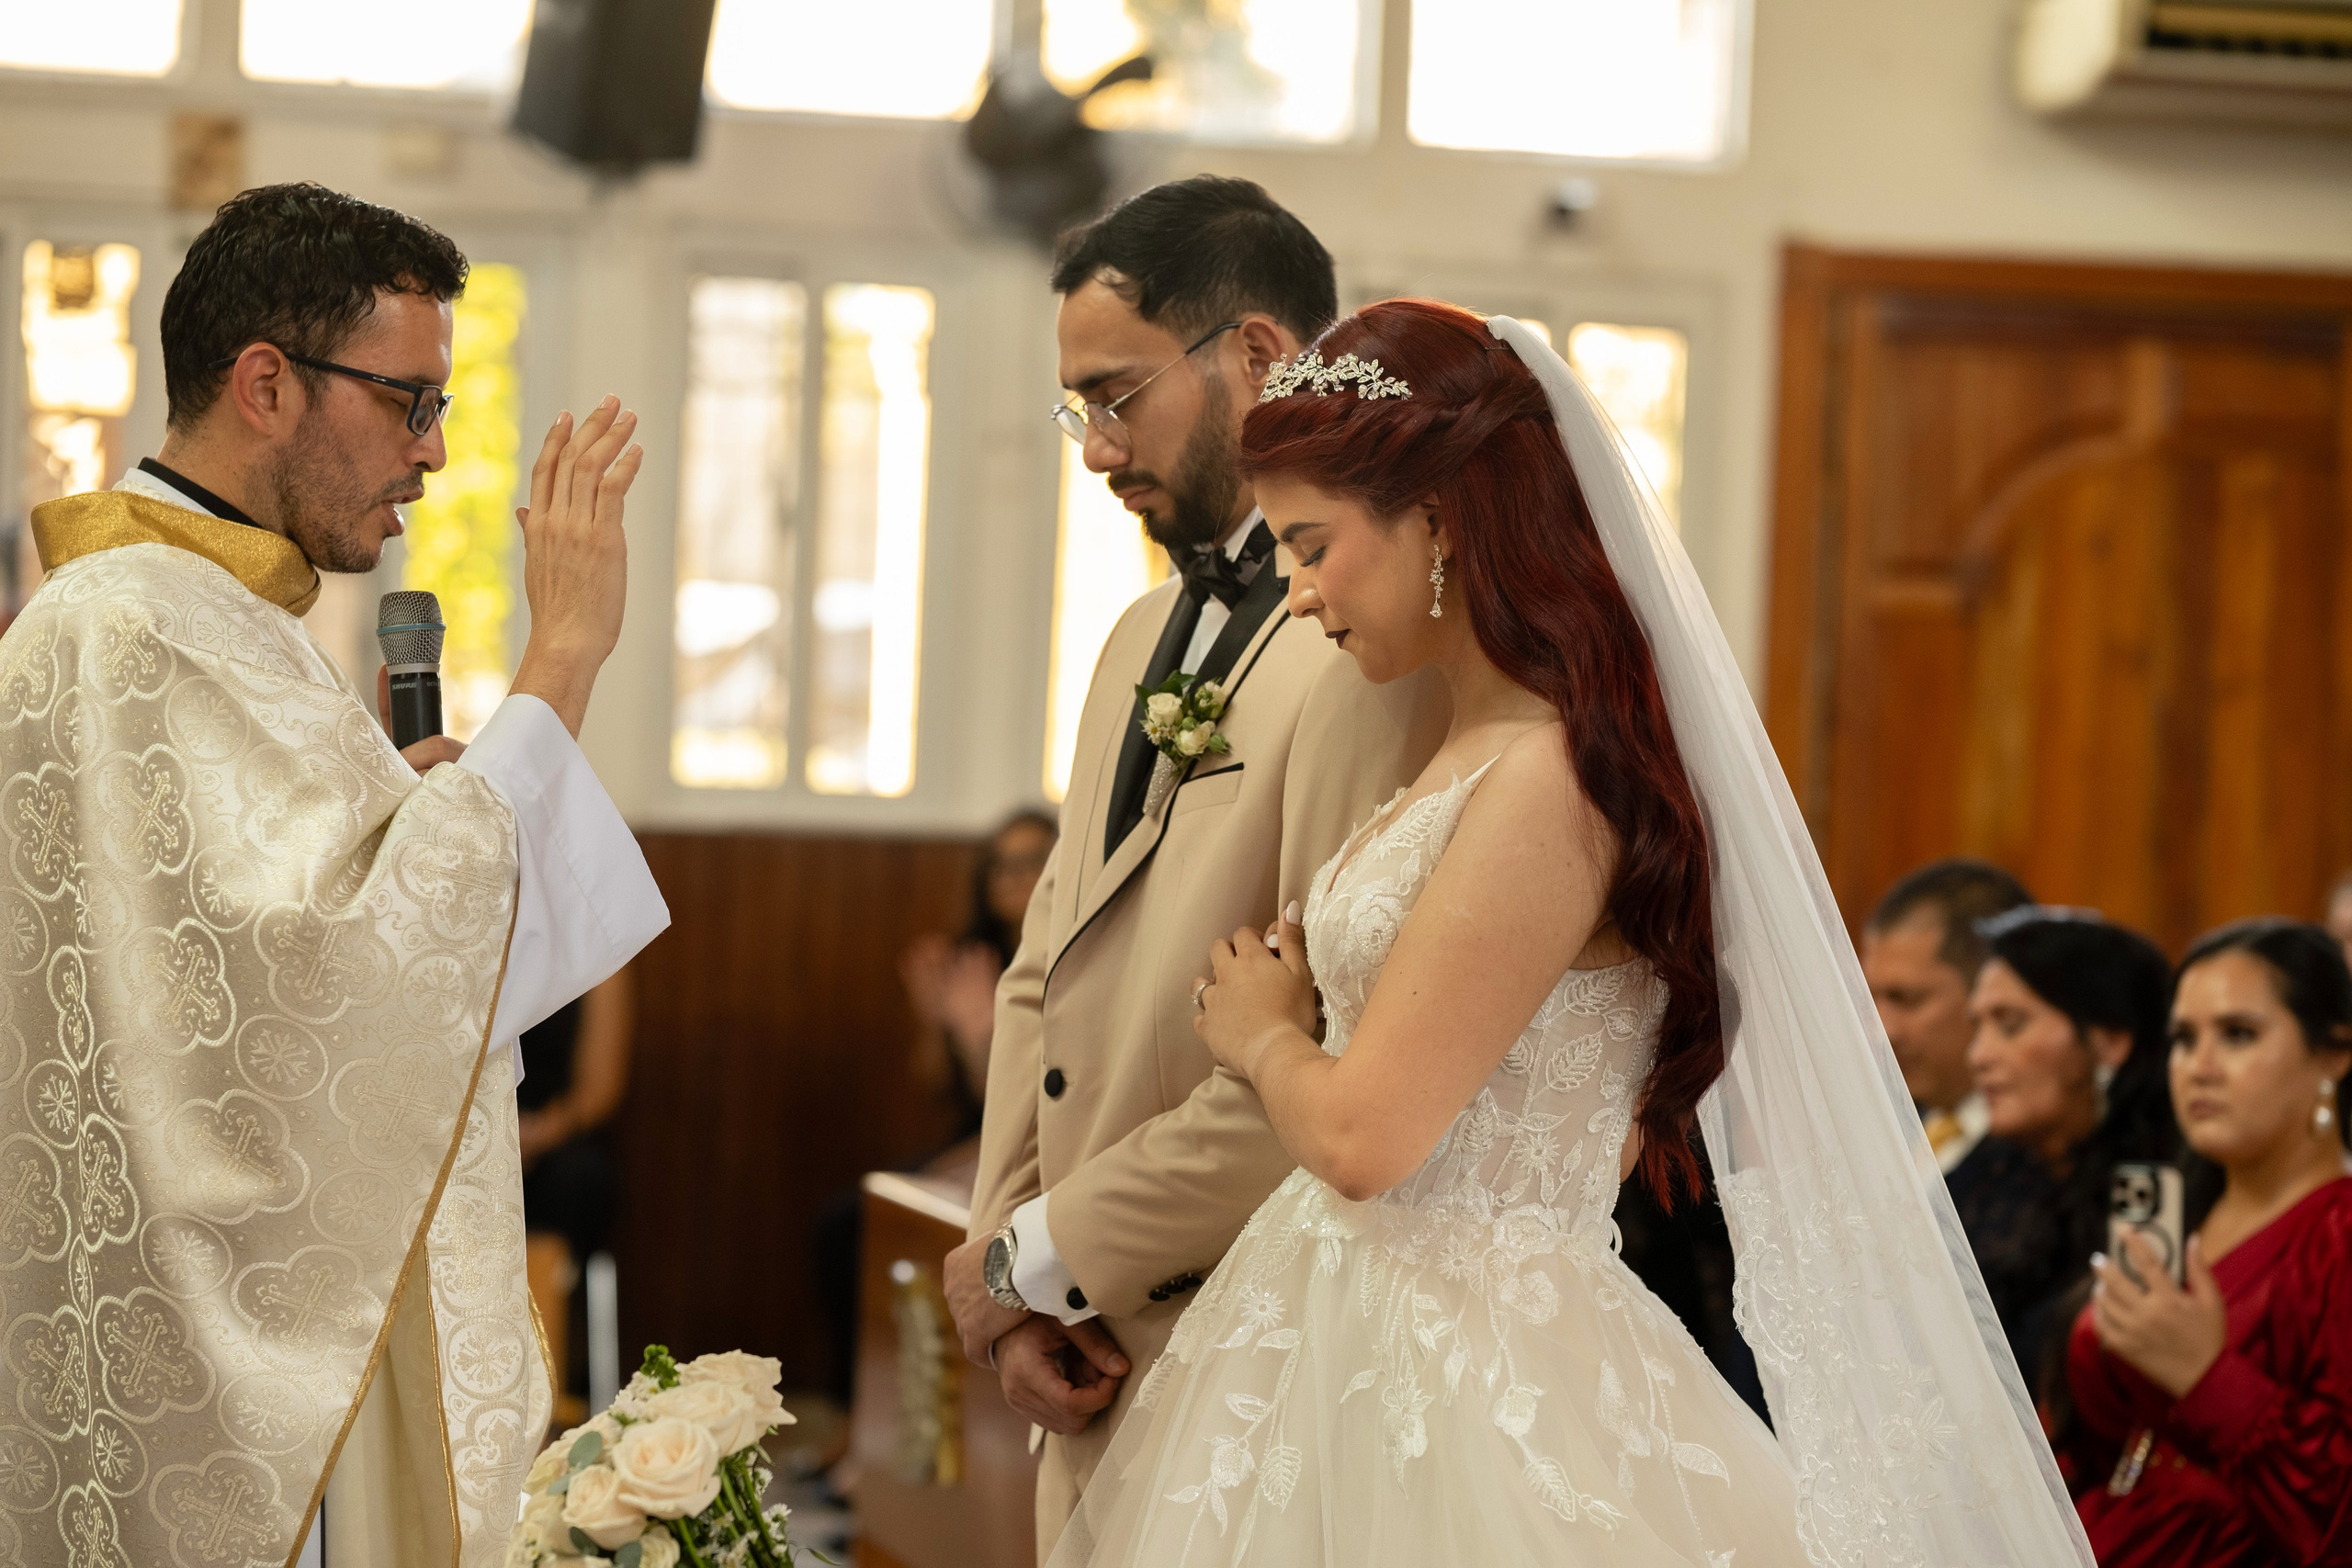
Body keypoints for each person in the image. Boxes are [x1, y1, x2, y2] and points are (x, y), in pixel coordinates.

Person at [1041, 299, 2094, 1564]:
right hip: (1353, 1328)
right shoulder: (1464, 746)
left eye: (1315, 544)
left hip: (1470, 1366)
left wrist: (1265, 1034)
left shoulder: (1550, 777)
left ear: (1438, 518)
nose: (1304, 592)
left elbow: (1369, 1136)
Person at [0, 184, 668, 1568]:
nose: (433, 452)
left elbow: (289, 957)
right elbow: (335, 987)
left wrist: (411, 821)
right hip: (199, 1375)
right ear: (265, 384)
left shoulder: (201, 617)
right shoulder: (136, 626)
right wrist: (564, 658)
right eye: (408, 401)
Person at [942, 176, 1447, 1561]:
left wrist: (1046, 1255)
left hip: (1254, 1336)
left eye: (1118, 397)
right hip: (1092, 1336)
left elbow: (1324, 1038)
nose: (1096, 451)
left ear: (1262, 357)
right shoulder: (1129, 635)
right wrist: (1012, 1267)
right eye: (1079, 411)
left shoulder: (1368, 648)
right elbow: (1049, 966)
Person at [2064, 919, 2352, 1564]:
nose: (2200, 1066)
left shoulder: (2339, 1230)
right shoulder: (2175, 1214)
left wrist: (2209, 1378)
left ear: (2334, 1053)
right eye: (2183, 1039)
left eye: (2238, 1034)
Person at [1969, 908, 2180, 1382]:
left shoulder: (2158, 1196)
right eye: (1976, 1027)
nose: (1979, 1056)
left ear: (2109, 1042)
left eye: (2010, 1024)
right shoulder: (1993, 1181)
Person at [1861, 860, 2057, 1362]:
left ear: (1989, 989)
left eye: (1907, 999)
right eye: (1872, 998)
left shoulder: (2039, 1160)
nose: (1881, 1031)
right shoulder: (1873, 1130)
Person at [518, 965, 637, 1422]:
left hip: (554, 1136)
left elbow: (599, 1088)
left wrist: (538, 1134)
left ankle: (545, 1386)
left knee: (576, 1181)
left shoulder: (601, 955)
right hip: (470, 1133)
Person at [901, 809, 1058, 1138]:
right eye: (1002, 866)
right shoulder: (976, 958)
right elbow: (937, 1088)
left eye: (1033, 861)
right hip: (979, 1134)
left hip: (1037, 1140)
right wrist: (935, 1026)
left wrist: (983, 1043)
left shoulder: (1070, 961)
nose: (1016, 877)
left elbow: (1034, 1113)